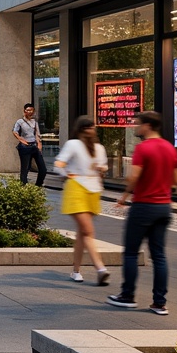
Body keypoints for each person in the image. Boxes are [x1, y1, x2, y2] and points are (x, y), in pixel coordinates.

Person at [108, 111, 177, 314]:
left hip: (143, 206)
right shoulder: (170, 148)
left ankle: (127, 295)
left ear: (148, 125)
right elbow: (176, 180)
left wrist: (123, 197)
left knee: (131, 252)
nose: (135, 127)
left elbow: (134, 177)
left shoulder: (143, 148)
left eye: (138, 124)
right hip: (164, 207)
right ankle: (159, 302)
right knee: (159, 256)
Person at [54, 116, 110, 285]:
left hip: (93, 189)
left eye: (91, 127)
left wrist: (102, 168)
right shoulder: (73, 144)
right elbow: (59, 164)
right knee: (88, 230)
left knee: (82, 233)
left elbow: (104, 166)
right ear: (79, 130)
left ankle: (75, 270)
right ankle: (100, 269)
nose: (89, 130)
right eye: (86, 127)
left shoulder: (99, 148)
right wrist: (67, 175)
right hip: (76, 187)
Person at [14, 103, 48, 186]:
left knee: (43, 169)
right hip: (24, 148)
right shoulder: (20, 122)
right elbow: (15, 132)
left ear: (34, 111)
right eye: (28, 110)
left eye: (31, 110)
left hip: (34, 146)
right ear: (24, 111)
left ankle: (38, 186)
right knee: (25, 169)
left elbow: (37, 134)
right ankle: (24, 187)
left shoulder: (35, 122)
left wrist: (39, 144)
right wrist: (21, 140)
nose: (30, 112)